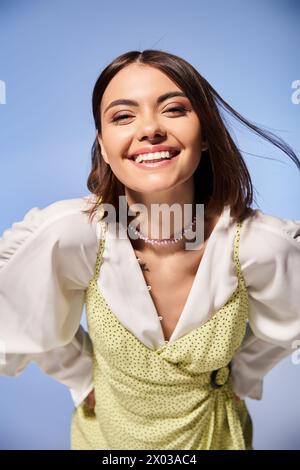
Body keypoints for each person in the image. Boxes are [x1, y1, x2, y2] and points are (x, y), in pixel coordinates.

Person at [0, 49, 299, 450]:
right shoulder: (76, 234)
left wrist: (243, 376)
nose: (149, 129)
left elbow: (290, 322)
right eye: (123, 116)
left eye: (174, 109)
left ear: (206, 133)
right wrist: (78, 375)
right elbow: (17, 309)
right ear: (104, 146)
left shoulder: (258, 245)